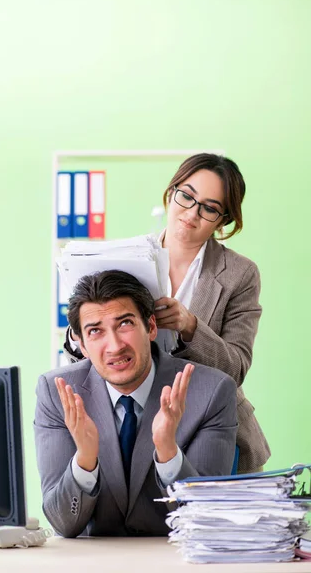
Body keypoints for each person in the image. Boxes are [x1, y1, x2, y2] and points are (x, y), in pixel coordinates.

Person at [64, 153, 270, 474]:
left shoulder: (239, 274)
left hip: (208, 421)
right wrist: (83, 329)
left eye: (209, 208)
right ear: (171, 191)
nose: (191, 213)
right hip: (132, 418)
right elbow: (86, 340)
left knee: (201, 519)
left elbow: (236, 369)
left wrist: (190, 326)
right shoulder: (124, 257)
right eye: (186, 196)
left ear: (223, 220)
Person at [35, 270, 237, 538]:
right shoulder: (57, 393)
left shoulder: (211, 391)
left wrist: (167, 451)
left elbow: (204, 518)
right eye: (95, 331)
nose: (115, 346)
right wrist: (84, 459)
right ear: (82, 345)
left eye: (125, 324)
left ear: (151, 327)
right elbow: (64, 524)